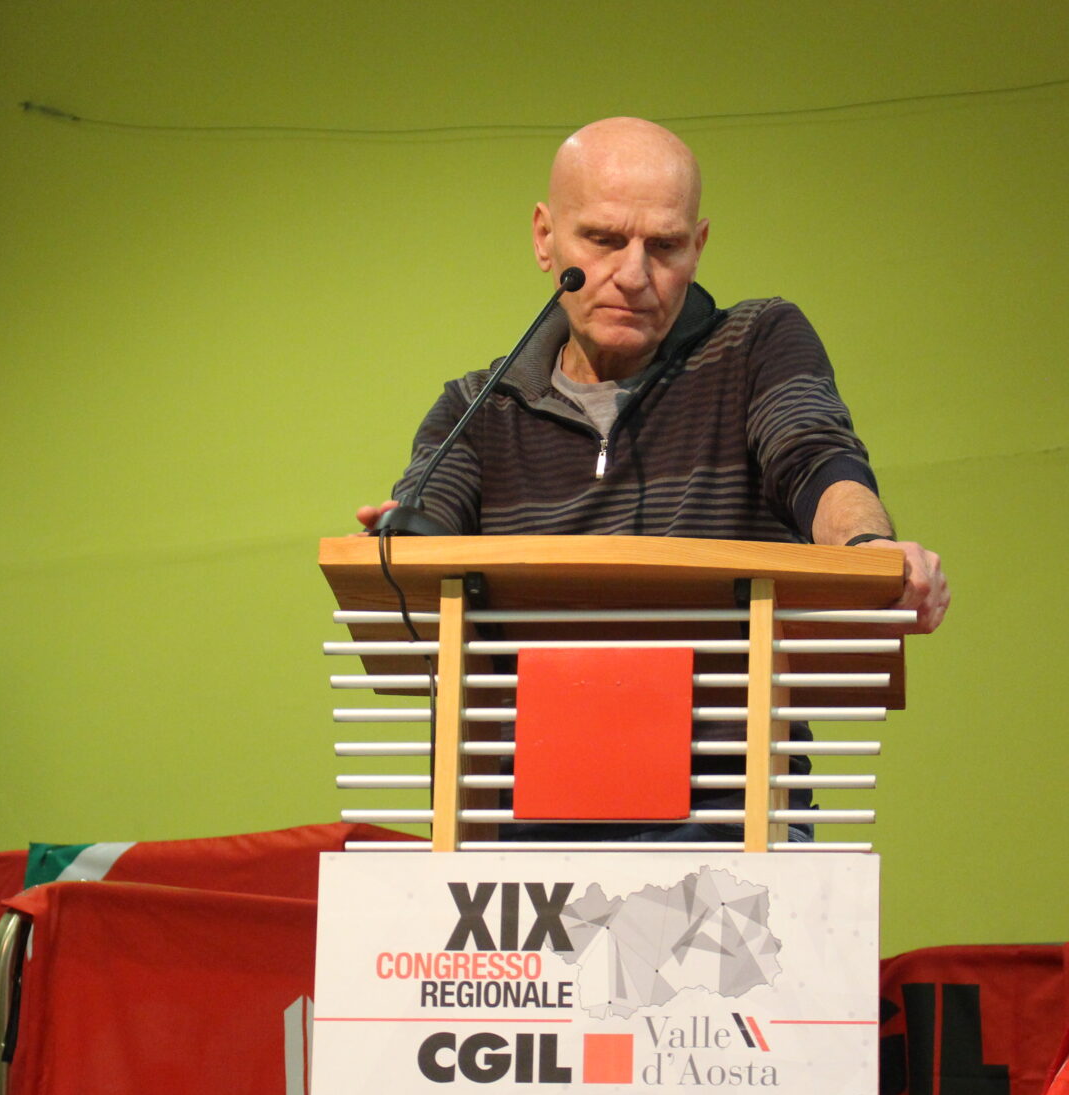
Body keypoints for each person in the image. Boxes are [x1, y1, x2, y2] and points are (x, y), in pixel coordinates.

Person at [355, 117, 949, 843]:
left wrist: (865, 547)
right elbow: (425, 526)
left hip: (732, 817)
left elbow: (815, 457)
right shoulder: (477, 410)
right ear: (545, 238)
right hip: (521, 826)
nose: (633, 275)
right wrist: (398, 546)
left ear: (698, 247)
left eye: (663, 246)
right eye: (603, 240)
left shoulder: (755, 344)